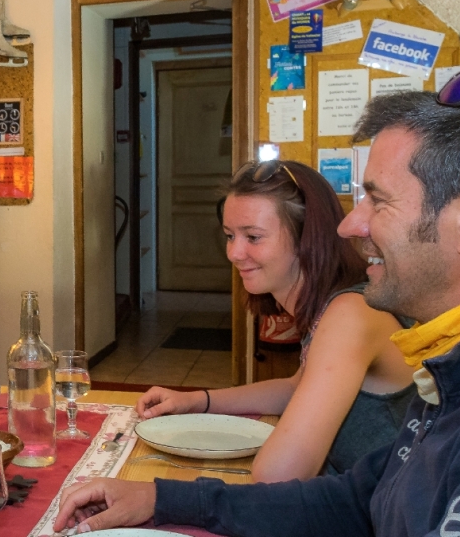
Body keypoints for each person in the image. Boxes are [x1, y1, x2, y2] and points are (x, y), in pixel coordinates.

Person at [53, 70, 460, 535]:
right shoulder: (453, 373)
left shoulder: (363, 319)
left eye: (378, 200)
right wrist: (166, 482)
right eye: (229, 236)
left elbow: (281, 472)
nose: (350, 226)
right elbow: (356, 494)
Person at [136, 159, 415, 481]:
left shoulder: (351, 313)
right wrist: (195, 400)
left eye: (253, 237)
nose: (234, 253)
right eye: (229, 236)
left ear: (306, 238)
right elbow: (295, 387)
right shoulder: (335, 305)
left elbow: (278, 476)